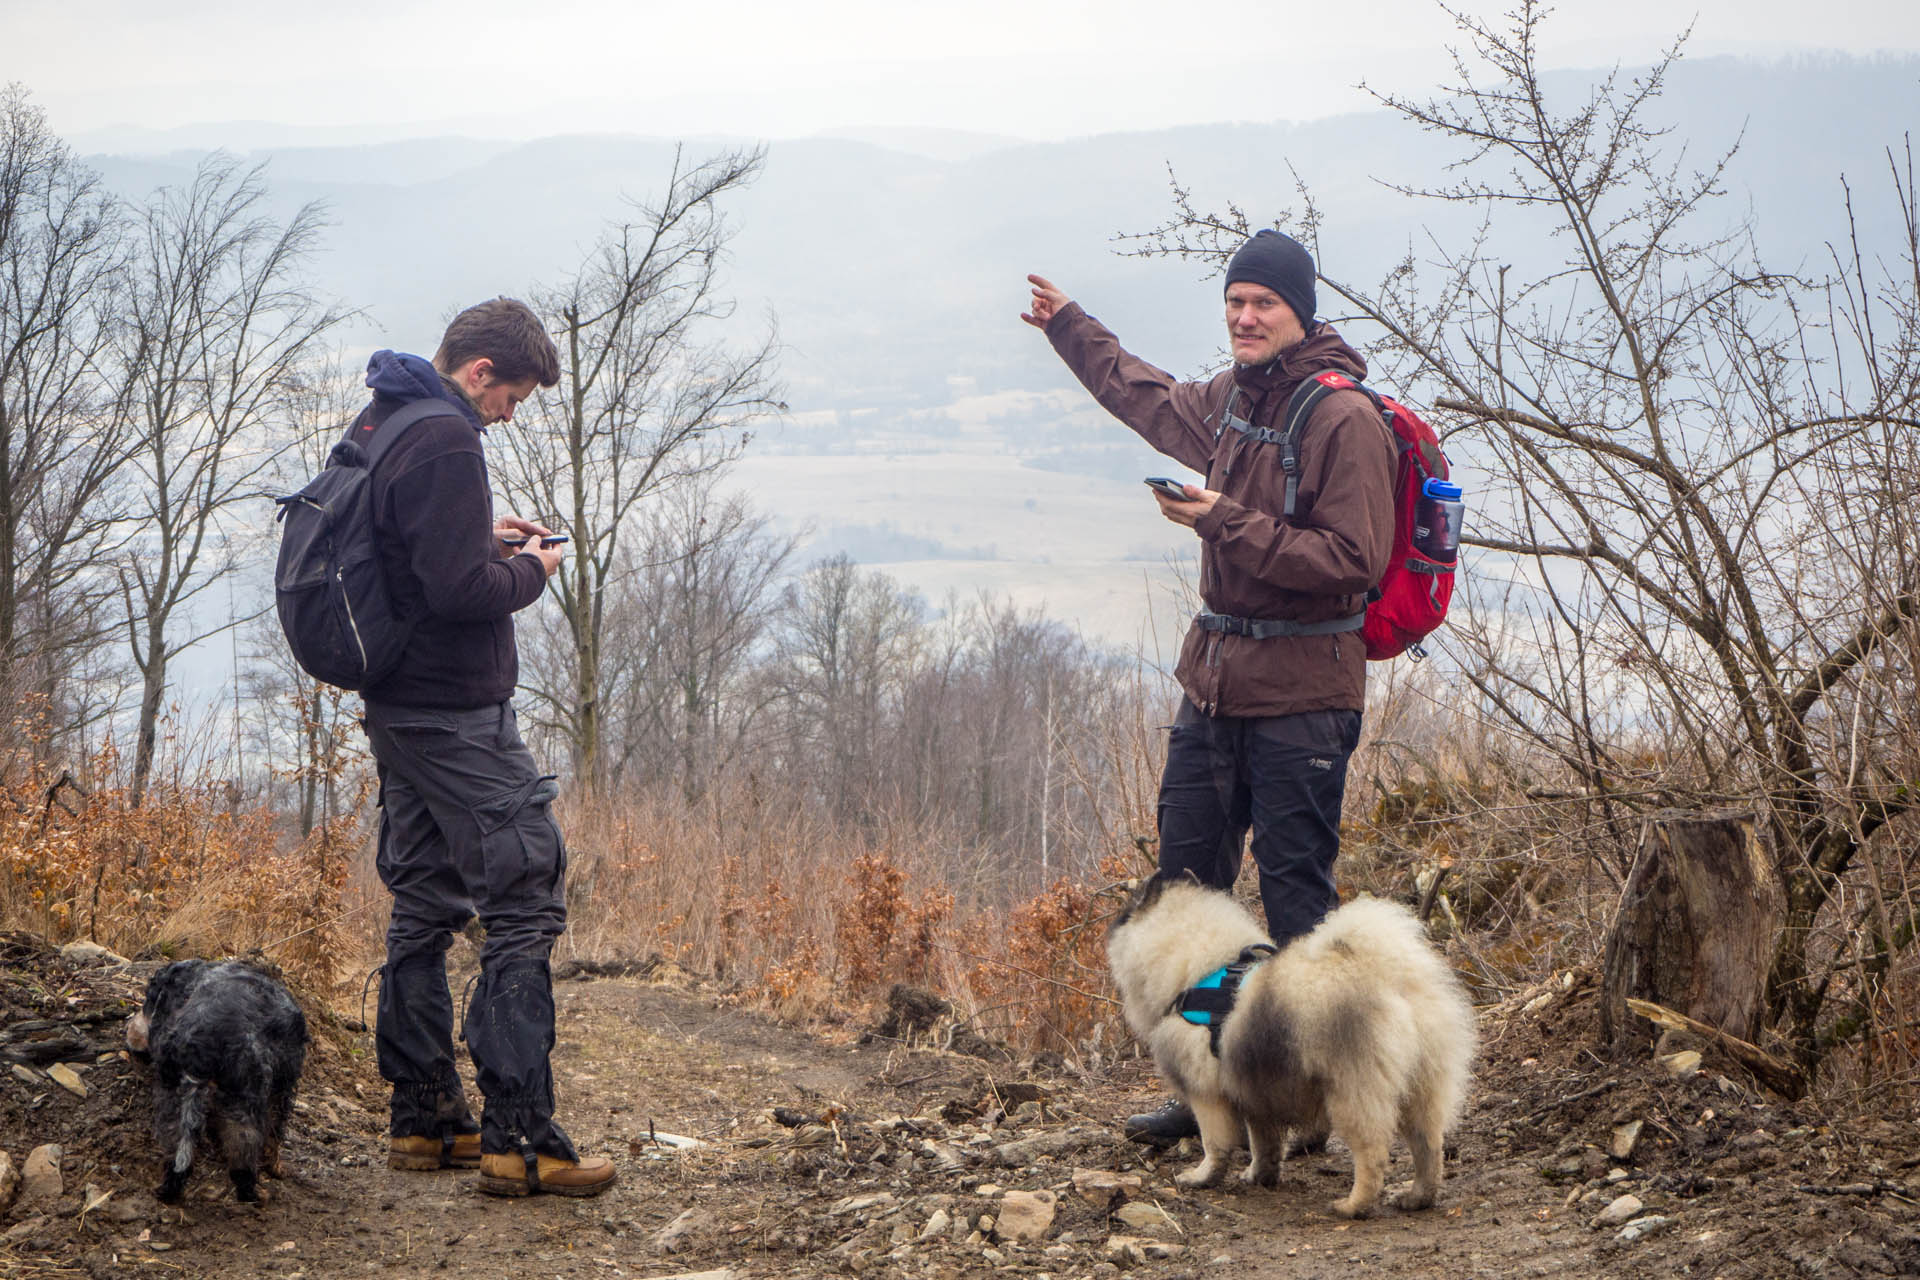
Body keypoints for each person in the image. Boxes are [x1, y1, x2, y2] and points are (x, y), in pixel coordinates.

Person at [1022, 231, 1396, 1144]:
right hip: (1215, 685)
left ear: (1300, 312)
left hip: (1304, 692)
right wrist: (1070, 326)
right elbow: (1146, 397)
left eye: (1262, 302)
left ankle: (1324, 1098)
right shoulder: (1234, 401)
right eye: (1234, 301)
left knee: (1301, 902)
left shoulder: (1343, 420)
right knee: (1186, 895)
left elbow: (1356, 560)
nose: (1244, 316)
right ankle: (1211, 1094)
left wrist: (1224, 520)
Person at [356, 297, 616, 1197]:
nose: (511, 415)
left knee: (425, 899)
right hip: (455, 715)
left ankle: (426, 1122)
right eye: (514, 397)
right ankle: (521, 1141)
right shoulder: (447, 438)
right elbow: (462, 592)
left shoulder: (389, 418)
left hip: (397, 708)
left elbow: (414, 561)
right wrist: (531, 569)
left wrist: (481, 537)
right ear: (480, 374)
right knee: (526, 891)